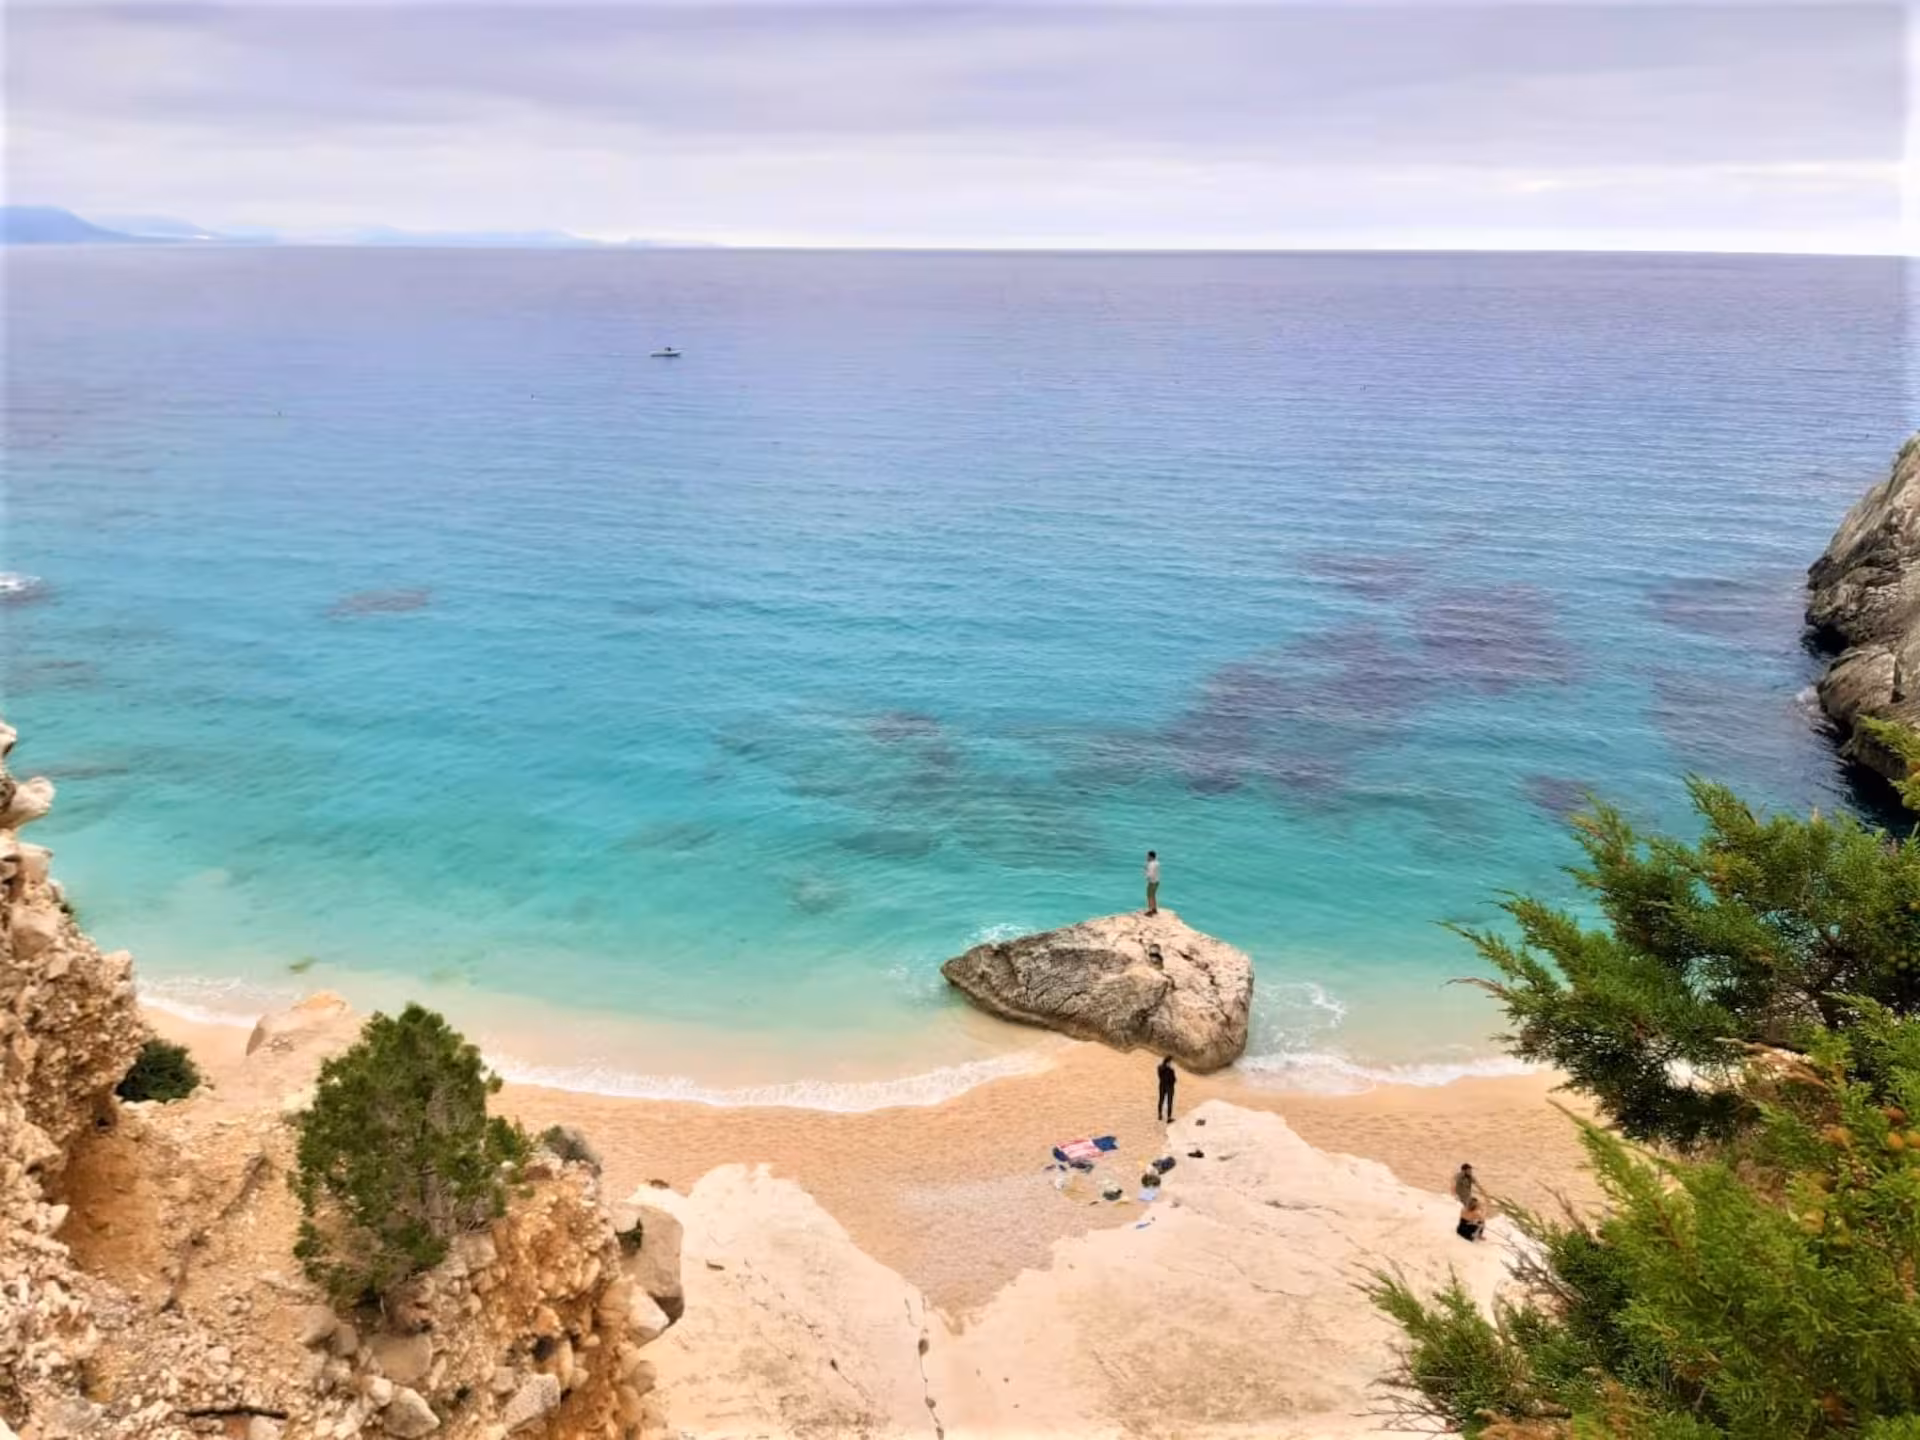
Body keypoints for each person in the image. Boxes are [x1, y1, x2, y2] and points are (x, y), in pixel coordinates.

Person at [1156, 1056, 1177, 1122]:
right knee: (1169, 1102)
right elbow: (1173, 1079)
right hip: (1169, 1087)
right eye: (1171, 1062)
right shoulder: (1171, 1070)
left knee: (1161, 1100)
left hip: (1162, 1085)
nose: (1171, 1063)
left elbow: (1160, 1076)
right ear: (1168, 1062)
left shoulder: (1159, 1067)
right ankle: (1169, 1118)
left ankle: (1160, 1115)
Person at [1145, 850, 1161, 915]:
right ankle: (1154, 909)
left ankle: (1150, 911)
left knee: (1149, 896)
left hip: (1152, 882)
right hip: (1157, 882)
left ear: (1151, 857)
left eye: (1148, 856)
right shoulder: (1157, 863)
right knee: (1153, 895)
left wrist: (1146, 876)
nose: (1147, 857)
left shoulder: (1151, 864)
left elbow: (1150, 874)